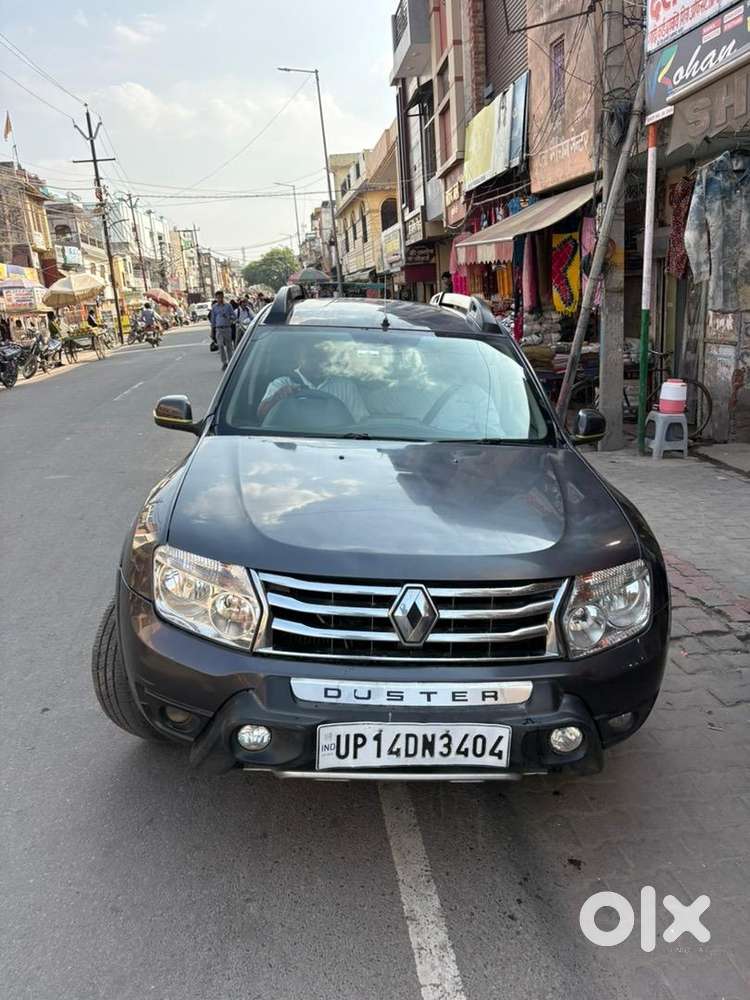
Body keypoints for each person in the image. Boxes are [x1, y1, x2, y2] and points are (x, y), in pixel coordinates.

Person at [257, 341, 368, 422]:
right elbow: (261, 416)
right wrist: (278, 398)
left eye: (322, 357)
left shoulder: (345, 386)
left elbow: (360, 422)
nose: (317, 362)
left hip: (336, 444)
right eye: (311, 356)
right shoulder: (281, 384)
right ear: (298, 358)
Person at [209, 290, 235, 369]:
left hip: (227, 328)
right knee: (220, 345)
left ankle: (230, 362)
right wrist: (212, 330)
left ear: (223, 297)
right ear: (216, 298)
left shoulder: (228, 306)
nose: (219, 299)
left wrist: (228, 317)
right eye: (218, 298)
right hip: (219, 329)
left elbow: (234, 316)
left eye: (220, 297)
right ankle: (224, 362)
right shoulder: (214, 307)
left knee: (229, 346)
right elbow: (213, 319)